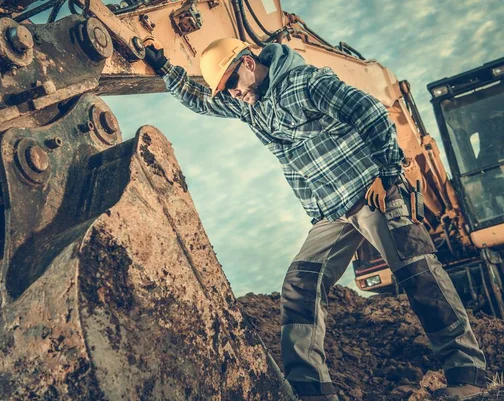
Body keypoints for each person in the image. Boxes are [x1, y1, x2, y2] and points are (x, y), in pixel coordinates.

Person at [143, 37, 488, 401]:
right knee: (299, 287)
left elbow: (369, 111)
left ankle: (467, 375)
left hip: (372, 192)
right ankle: (312, 392)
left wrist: (387, 175)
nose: (230, 93)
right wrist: (167, 71)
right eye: (224, 88)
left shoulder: (305, 82)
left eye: (230, 82)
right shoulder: (251, 106)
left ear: (247, 62)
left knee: (418, 274)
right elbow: (203, 102)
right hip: (330, 213)